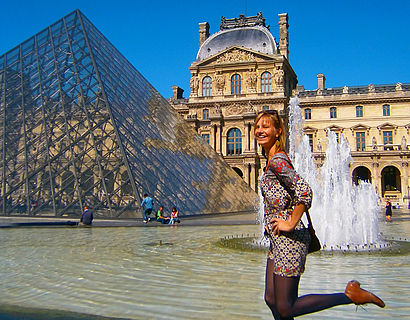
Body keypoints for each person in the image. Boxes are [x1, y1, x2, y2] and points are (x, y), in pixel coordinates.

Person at [255, 110, 385, 319]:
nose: (260, 130)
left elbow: (305, 191)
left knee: (286, 307)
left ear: (278, 132)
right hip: (277, 240)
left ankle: (351, 295)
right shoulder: (271, 160)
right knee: (271, 299)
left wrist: (290, 222)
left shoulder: (278, 160)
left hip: (290, 239)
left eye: (266, 126)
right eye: (257, 126)